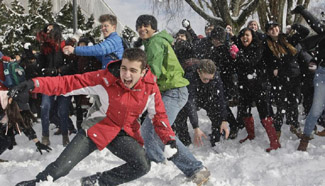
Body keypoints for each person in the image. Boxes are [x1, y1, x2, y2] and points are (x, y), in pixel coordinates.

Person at [12, 48, 178, 186]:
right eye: (124, 68)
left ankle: (98, 181)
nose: (126, 75)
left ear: (143, 72)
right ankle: (38, 182)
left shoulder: (150, 88)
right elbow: (69, 83)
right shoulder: (105, 79)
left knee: (142, 164)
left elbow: (159, 115)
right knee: (59, 170)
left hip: (122, 133)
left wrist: (169, 139)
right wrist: (35, 84)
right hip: (96, 129)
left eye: (133, 71)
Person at [136, 14, 210, 185]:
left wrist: (136, 91)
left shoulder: (154, 43)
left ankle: (196, 169)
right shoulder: (153, 42)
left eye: (146, 25)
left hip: (173, 91)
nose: (142, 29)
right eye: (139, 26)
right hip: (167, 92)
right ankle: (155, 162)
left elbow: (153, 73)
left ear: (154, 28)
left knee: (160, 130)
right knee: (147, 130)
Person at [262, 20, 309, 141]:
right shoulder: (266, 44)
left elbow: (305, 32)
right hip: (280, 80)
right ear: (267, 32)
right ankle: (277, 128)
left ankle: (294, 125)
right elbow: (266, 62)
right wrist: (273, 68)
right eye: (270, 28)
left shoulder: (288, 39)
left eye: (275, 27)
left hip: (294, 76)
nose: (274, 30)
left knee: (293, 103)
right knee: (280, 105)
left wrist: (294, 26)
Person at [235, 27, 280, 152]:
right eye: (242, 35)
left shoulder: (258, 47)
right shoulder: (239, 49)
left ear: (252, 36)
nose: (244, 37)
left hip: (259, 85)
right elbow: (237, 67)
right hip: (244, 86)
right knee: (244, 111)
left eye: (247, 35)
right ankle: (250, 135)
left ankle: (274, 142)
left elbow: (251, 62)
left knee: (264, 113)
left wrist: (238, 54)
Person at [291, 5, 325, 151]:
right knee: (316, 109)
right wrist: (302, 11)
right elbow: (316, 25)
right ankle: (305, 138)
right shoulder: (323, 32)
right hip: (323, 74)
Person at [173, 59, 230, 147]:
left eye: (210, 79)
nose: (208, 81)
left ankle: (217, 139)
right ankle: (184, 141)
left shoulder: (215, 76)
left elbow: (220, 98)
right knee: (181, 111)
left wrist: (224, 119)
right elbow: (190, 102)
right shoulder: (190, 76)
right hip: (191, 96)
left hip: (207, 96)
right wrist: (196, 127)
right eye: (205, 79)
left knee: (217, 111)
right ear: (199, 72)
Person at [36, 23, 75, 146]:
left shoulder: (64, 46)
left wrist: (58, 70)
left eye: (51, 29)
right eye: (46, 28)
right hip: (48, 81)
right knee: (44, 108)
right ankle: (45, 136)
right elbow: (40, 64)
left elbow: (72, 65)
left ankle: (65, 135)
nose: (48, 31)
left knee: (62, 110)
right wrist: (42, 70)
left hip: (63, 81)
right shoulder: (44, 48)